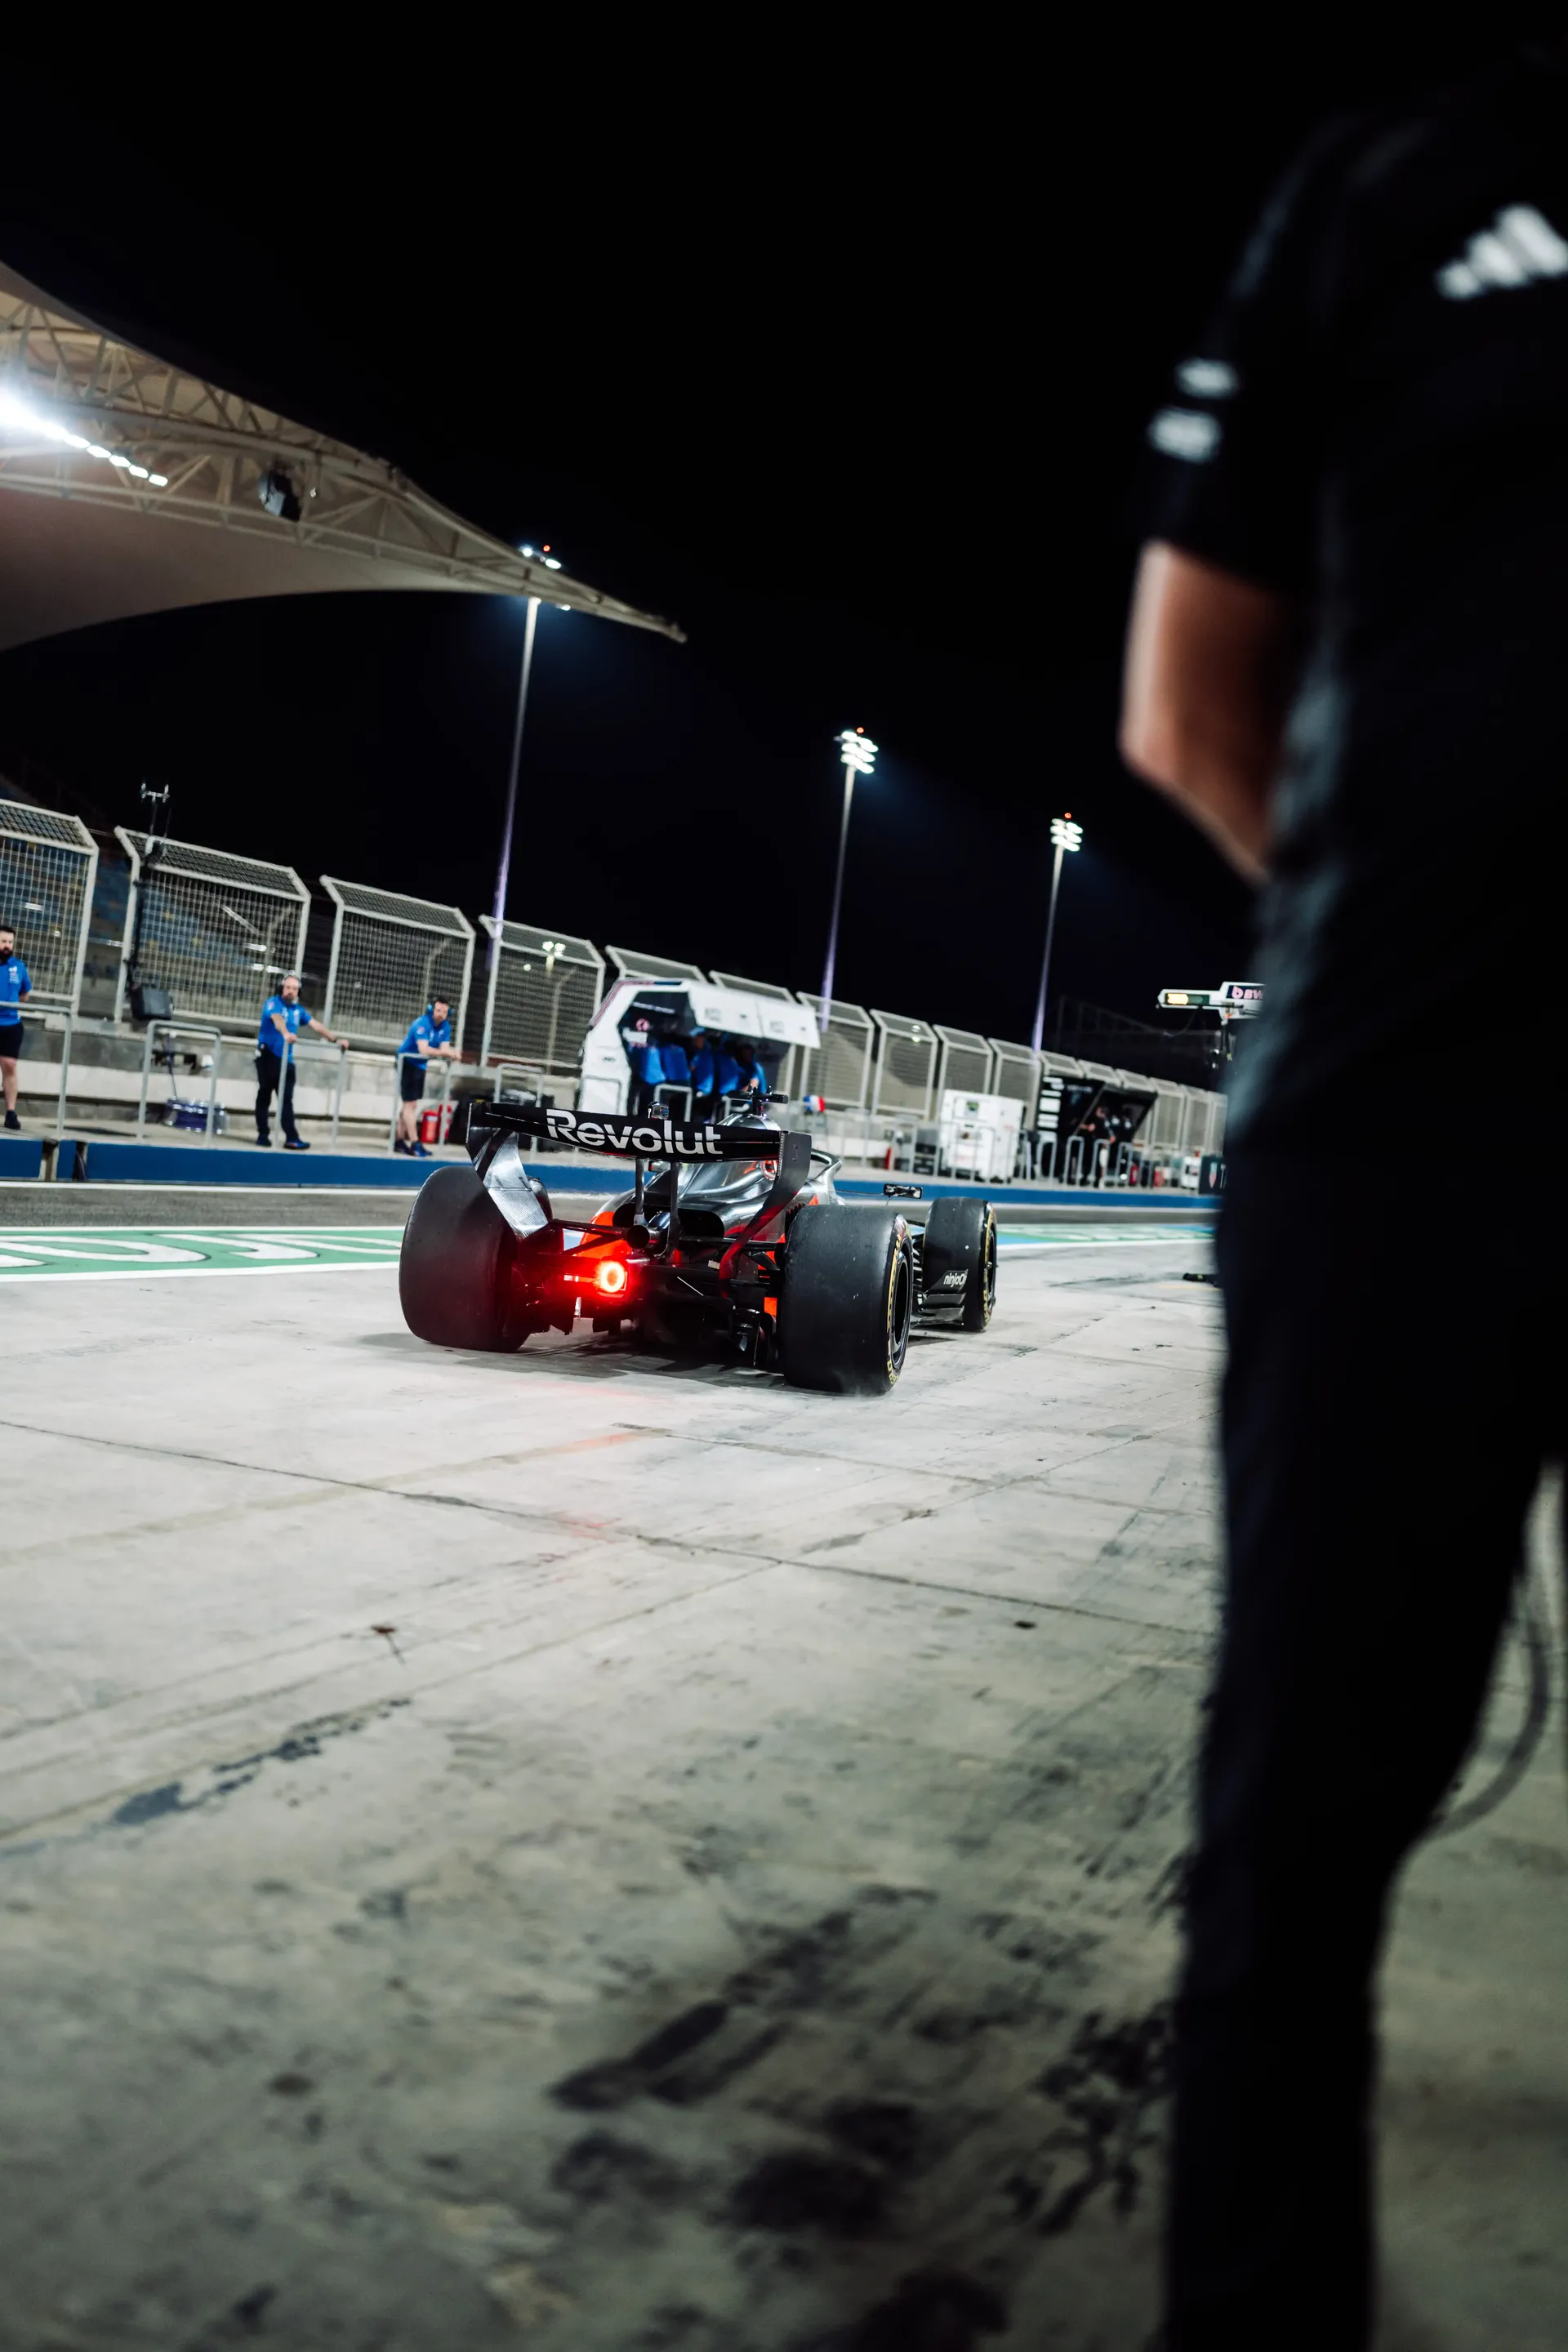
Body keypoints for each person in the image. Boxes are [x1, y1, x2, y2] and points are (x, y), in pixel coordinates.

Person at [1120, 46, 1568, 2350]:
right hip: (1402, 1138)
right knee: (1298, 1849)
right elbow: (1188, 697)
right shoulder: (1392, 190)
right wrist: (1438, 957)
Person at [255, 973, 344, 1150]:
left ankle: (291, 1137)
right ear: (282, 988)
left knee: (286, 1099)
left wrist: (335, 1040)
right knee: (264, 1096)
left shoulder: (298, 1011)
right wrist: (286, 1033)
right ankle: (263, 1134)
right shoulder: (273, 1003)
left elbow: (315, 1025)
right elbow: (277, 1019)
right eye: (288, 988)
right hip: (268, 1057)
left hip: (286, 1060)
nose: (291, 992)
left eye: (295, 989)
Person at [394, 996, 460, 1156]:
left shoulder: (445, 1027)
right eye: (438, 1011)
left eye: (445, 1012)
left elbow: (444, 1047)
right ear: (431, 1010)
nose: (441, 1014)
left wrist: (452, 1053)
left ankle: (398, 1140)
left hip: (420, 1065)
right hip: (407, 1062)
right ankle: (415, 1143)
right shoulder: (421, 1024)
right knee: (411, 1105)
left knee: (408, 1105)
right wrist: (447, 1053)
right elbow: (424, 1049)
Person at [0, 923, 29, 1132]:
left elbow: (24, 994)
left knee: (9, 1066)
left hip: (11, 1025)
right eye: (3, 941)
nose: (7, 945)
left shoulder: (18, 966)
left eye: (10, 942)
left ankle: (10, 1113)